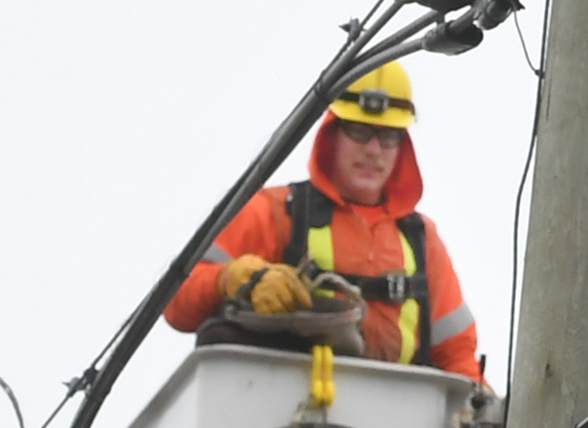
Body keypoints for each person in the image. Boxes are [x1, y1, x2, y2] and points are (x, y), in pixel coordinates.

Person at [165, 61, 483, 380]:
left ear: (403, 144)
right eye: (359, 131)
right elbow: (177, 302)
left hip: (395, 419)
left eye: (388, 136)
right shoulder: (274, 212)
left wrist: (499, 421)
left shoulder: (421, 240)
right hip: (285, 411)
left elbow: (458, 357)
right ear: (332, 133)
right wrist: (233, 278)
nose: (374, 150)